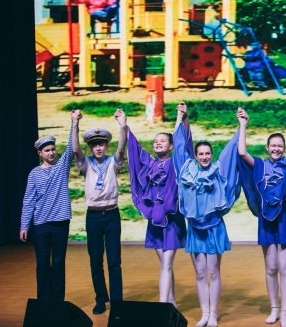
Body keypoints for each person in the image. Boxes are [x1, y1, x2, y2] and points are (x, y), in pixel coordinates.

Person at [173, 102, 241, 327]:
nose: (204, 156)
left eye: (207, 153)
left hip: (213, 228)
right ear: (196, 155)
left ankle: (213, 313)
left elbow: (233, 150)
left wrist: (242, 125)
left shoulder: (218, 170)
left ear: (212, 154)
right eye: (200, 153)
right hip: (195, 229)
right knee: (200, 273)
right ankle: (204, 313)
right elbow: (178, 146)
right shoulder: (187, 169)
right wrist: (181, 117)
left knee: (213, 271)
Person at [238, 108, 286, 327]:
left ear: (283, 148)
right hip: (266, 217)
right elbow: (242, 153)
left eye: (280, 146)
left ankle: (285, 312)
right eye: (273, 145)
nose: (276, 148)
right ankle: (274, 308)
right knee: (271, 267)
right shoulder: (260, 164)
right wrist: (243, 124)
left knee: (285, 267)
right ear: (267, 148)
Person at [127, 113, 186, 307]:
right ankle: (172, 302)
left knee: (167, 264)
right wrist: (124, 126)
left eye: (163, 141)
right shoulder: (151, 164)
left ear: (170, 146)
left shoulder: (175, 164)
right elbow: (135, 150)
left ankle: (163, 307)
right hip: (155, 221)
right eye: (156, 141)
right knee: (165, 265)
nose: (158, 143)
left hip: (171, 221)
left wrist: (179, 118)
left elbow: (180, 142)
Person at [72, 109, 128, 314]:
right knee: (96, 261)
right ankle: (101, 299)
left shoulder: (113, 162)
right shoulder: (85, 163)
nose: (98, 147)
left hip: (111, 215)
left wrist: (122, 125)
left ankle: (117, 301)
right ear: (90, 147)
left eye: (101, 144)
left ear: (106, 146)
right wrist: (75, 124)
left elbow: (121, 149)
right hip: (93, 217)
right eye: (94, 145)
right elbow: (75, 149)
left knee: (114, 261)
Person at [20, 110, 76, 301]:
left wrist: (74, 123)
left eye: (53, 149)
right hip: (42, 225)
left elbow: (71, 148)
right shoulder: (34, 173)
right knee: (43, 264)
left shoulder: (61, 167)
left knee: (59, 264)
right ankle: (43, 303)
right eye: (47, 150)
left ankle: (58, 303)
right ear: (40, 153)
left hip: (60, 223)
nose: (51, 152)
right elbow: (28, 200)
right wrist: (24, 225)